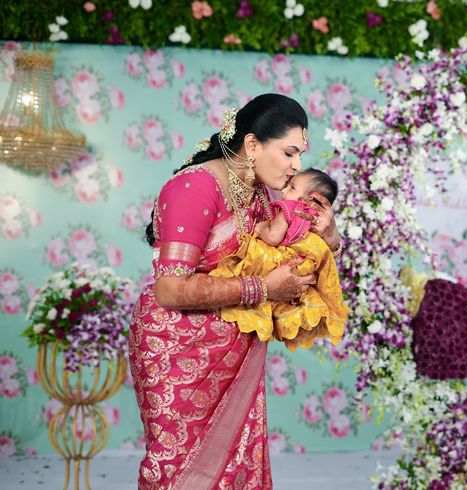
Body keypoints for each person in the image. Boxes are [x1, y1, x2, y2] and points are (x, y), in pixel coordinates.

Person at [127, 94, 342, 490]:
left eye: (300, 155)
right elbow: (170, 289)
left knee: (235, 471)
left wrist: (330, 235)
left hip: (236, 351)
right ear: (253, 145)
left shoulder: (265, 192)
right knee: (178, 471)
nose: (297, 166)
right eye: (289, 152)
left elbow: (301, 246)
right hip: (178, 351)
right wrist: (263, 286)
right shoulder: (194, 188)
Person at [210, 168, 349, 352]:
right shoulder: (313, 219)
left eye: (291, 188)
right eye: (289, 153)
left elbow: (274, 237)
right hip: (304, 265)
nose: (284, 191)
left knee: (250, 260)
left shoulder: (289, 209)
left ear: (309, 199)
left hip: (281, 262)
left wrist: (260, 230)